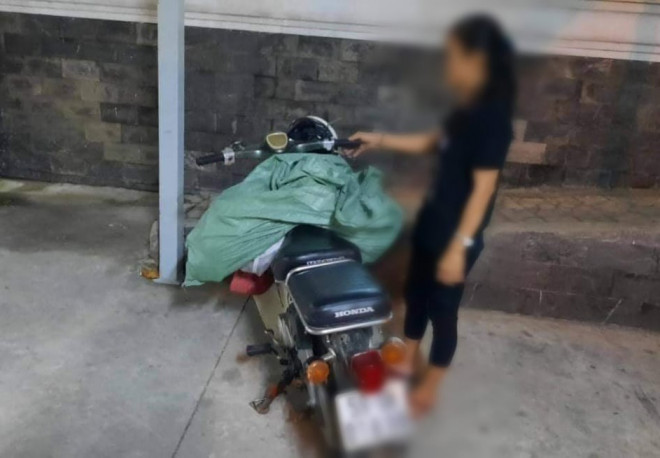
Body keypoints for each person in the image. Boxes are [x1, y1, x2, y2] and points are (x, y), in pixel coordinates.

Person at [345, 15, 516, 417]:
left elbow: (483, 189)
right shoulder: (466, 109)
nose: (447, 64)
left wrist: (460, 247)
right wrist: (379, 139)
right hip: (433, 221)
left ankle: (430, 387)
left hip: (457, 235)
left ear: (477, 61)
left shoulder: (494, 120)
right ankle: (407, 359)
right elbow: (432, 142)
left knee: (442, 310)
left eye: (454, 56)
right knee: (415, 294)